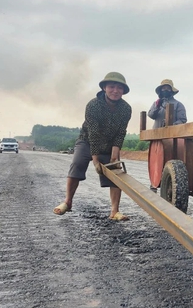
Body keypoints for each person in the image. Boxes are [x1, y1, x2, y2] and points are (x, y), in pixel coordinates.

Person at [53, 71, 133, 221]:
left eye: (119, 88)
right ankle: (68, 202)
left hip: (109, 144)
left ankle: (114, 211)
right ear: (104, 88)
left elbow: (121, 133)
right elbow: (93, 133)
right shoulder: (93, 105)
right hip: (87, 140)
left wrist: (114, 156)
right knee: (77, 163)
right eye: (112, 87)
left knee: (116, 172)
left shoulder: (126, 109)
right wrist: (96, 161)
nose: (115, 91)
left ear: (123, 91)